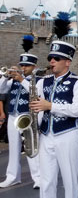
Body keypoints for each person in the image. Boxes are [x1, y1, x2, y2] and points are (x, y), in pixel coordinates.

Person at [30, 15, 78, 198]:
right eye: (50, 57)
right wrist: (34, 110)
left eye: (56, 58)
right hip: (46, 136)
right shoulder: (42, 82)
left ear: (67, 61)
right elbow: (35, 105)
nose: (51, 61)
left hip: (68, 136)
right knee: (46, 182)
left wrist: (50, 106)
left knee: (70, 182)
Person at [0, 35, 41, 188]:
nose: (23, 68)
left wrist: (21, 79)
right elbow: (1, 90)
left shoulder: (37, 80)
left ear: (34, 67)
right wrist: (5, 76)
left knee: (30, 147)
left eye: (27, 66)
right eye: (21, 65)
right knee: (14, 147)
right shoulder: (13, 80)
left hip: (27, 117)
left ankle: (38, 177)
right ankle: (12, 176)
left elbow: (35, 92)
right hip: (12, 116)